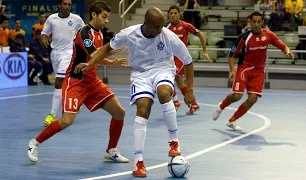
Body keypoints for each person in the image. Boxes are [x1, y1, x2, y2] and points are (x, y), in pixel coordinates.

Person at [74, 7, 196, 178]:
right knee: (143, 109)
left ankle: (174, 142)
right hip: (140, 74)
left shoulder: (168, 36)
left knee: (163, 93)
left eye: (162, 26)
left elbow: (188, 62)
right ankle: (138, 161)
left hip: (163, 69)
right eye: (157, 27)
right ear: (146, 24)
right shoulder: (129, 33)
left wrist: (188, 91)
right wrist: (90, 63)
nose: (161, 29)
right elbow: (107, 48)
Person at [27, 0, 129, 164]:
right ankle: (35, 143)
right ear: (94, 15)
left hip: (92, 82)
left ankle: (111, 150)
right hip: (76, 82)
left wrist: (112, 62)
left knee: (119, 112)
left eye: (108, 17)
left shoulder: (100, 33)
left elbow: (93, 59)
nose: (107, 21)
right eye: (104, 17)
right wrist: (111, 52)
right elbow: (95, 54)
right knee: (67, 121)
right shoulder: (84, 33)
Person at [212, 12, 294, 130]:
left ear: (262, 23)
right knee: (237, 96)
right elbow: (232, 55)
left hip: (258, 72)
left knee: (252, 99)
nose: (256, 24)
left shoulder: (268, 35)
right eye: (253, 22)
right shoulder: (243, 38)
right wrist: (231, 70)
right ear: (249, 22)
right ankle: (221, 107)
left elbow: (282, 45)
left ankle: (232, 120)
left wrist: (287, 51)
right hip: (244, 69)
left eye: (258, 22)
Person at [41, 0, 85, 126]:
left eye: (69, 4)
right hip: (55, 53)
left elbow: (85, 33)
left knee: (59, 80)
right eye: (64, 4)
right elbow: (44, 33)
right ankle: (75, 101)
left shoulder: (76, 19)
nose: (67, 6)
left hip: (69, 52)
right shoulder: (52, 18)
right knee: (64, 81)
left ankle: (52, 114)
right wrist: (44, 38)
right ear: (59, 5)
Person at [166, 5, 211, 115]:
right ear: (168, 15)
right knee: (180, 83)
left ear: (179, 14)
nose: (173, 15)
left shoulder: (185, 25)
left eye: (175, 13)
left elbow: (200, 34)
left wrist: (204, 51)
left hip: (181, 58)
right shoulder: (166, 28)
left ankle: (176, 102)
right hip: (170, 58)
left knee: (169, 78)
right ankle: (194, 104)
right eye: (171, 13)